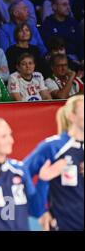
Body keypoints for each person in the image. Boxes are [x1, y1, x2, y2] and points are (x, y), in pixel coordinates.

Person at [0, 117, 66, 231]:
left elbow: (36, 210)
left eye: (10, 135)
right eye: (4, 136)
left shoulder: (18, 169)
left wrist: (43, 181)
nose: (11, 140)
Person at [24, 95, 84, 231]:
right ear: (72, 116)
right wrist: (39, 210)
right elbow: (19, 174)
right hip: (63, 225)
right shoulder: (54, 146)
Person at [41, 0, 83, 64]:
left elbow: (80, 43)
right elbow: (48, 45)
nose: (68, 7)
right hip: (56, 58)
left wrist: (82, 59)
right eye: (64, 4)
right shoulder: (48, 24)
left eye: (68, 4)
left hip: (75, 57)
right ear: (54, 7)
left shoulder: (73, 23)